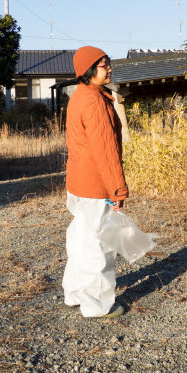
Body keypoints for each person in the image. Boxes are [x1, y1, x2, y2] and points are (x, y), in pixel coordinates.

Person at [62, 46, 128, 318]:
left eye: (108, 63)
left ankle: (75, 293)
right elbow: (105, 149)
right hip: (95, 183)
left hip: (78, 180)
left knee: (80, 238)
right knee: (99, 244)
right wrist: (117, 187)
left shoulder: (80, 96)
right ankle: (97, 305)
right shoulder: (94, 101)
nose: (109, 68)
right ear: (89, 70)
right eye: (103, 65)